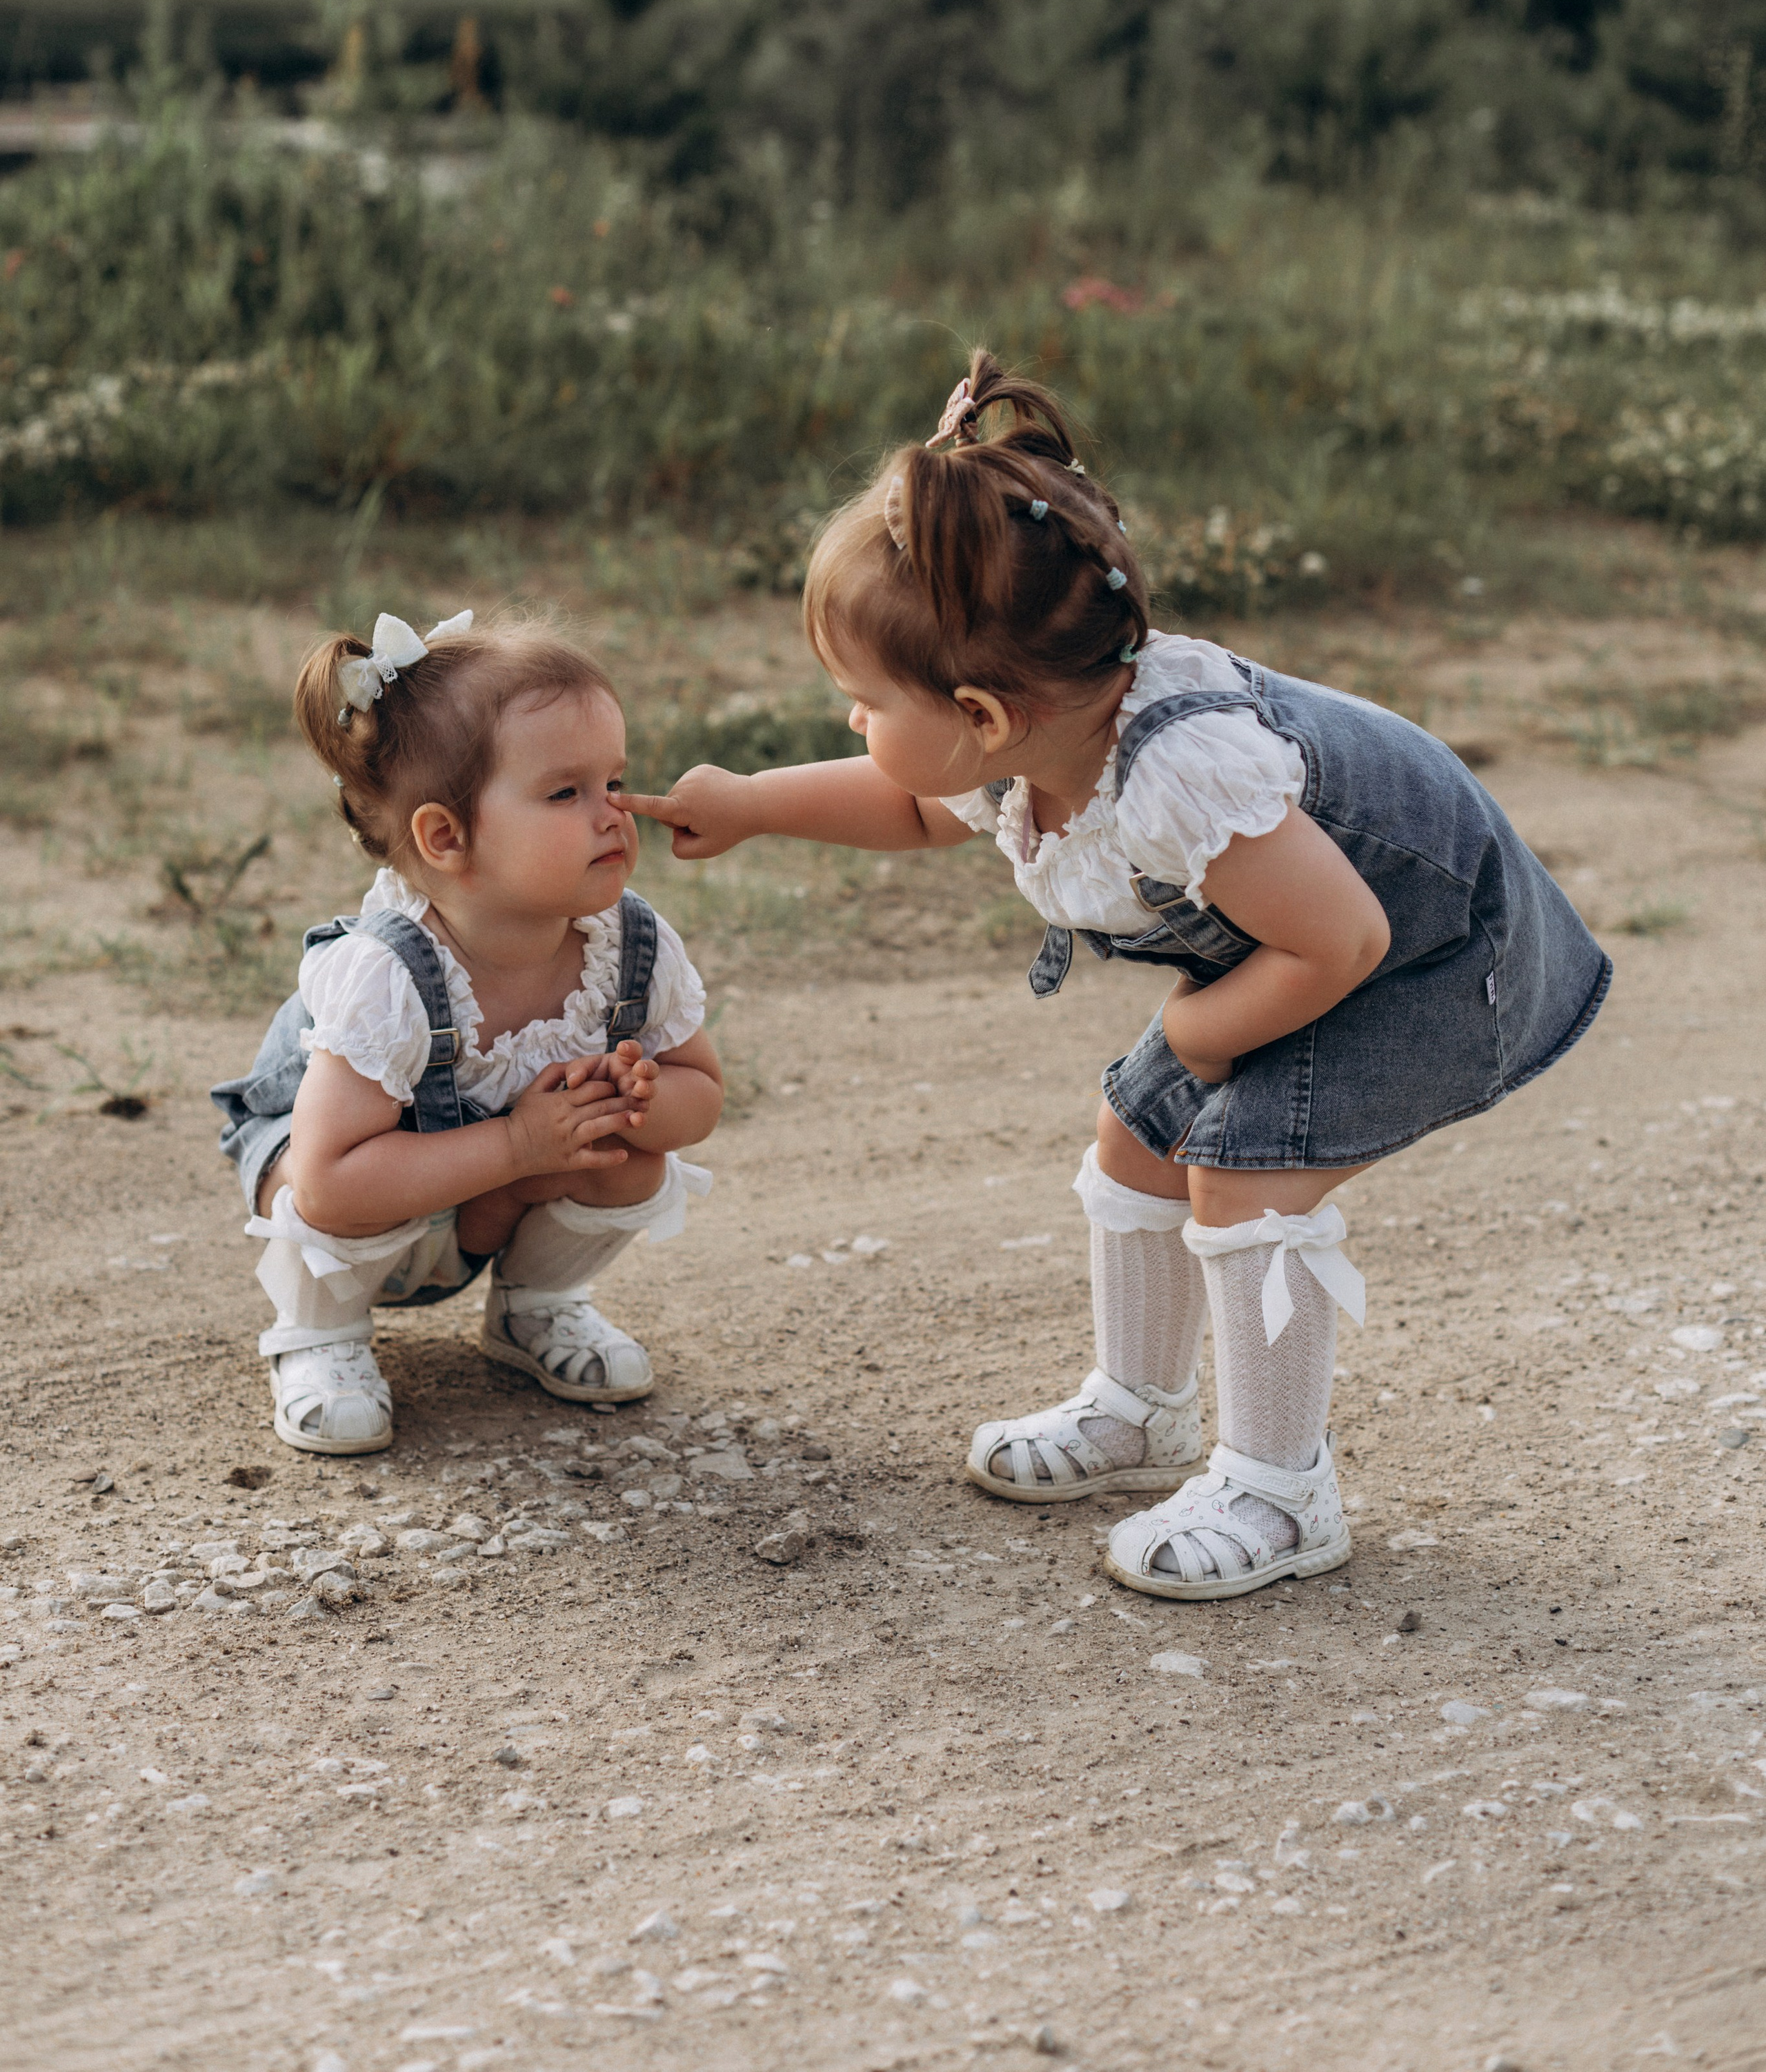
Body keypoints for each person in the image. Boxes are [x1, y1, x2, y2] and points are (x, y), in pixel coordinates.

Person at [620, 353, 1609, 1601]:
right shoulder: (1035, 734)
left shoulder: (1183, 769)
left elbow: (1345, 942)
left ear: (980, 713)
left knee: (1244, 1166)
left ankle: (1279, 1488)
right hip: (1307, 945)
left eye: (860, 702)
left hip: (1442, 956)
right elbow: (924, 810)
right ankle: (1141, 1410)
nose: (854, 726)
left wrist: (1207, 1030)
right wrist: (757, 805)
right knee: (1138, 1127)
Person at [212, 609, 722, 1455]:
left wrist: (635, 1100)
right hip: (362, 1201)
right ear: (445, 837)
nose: (614, 813)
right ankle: (320, 1339)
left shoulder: (628, 945)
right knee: (307, 1187)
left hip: (487, 1199)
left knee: (638, 1160)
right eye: (567, 792)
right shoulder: (389, 975)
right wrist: (520, 1147)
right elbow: (330, 1182)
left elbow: (700, 1096)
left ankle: (537, 1307)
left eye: (614, 781)